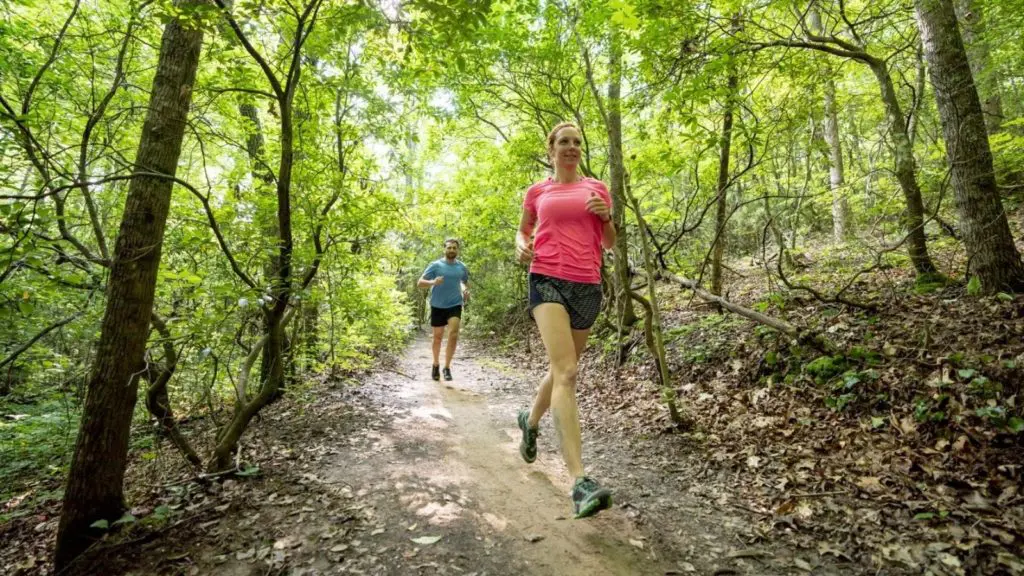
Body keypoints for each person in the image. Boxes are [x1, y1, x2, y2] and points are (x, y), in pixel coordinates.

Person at [515, 122, 616, 519]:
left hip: (587, 285)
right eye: (564, 142)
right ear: (551, 149)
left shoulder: (597, 189)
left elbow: (609, 242)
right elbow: (523, 231)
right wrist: (522, 245)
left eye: (577, 142)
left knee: (561, 370)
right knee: (568, 371)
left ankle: (530, 419)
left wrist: (607, 218)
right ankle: (579, 481)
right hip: (547, 279)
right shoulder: (538, 191)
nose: (571, 147)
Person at [417, 238, 470, 381]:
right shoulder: (435, 265)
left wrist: (465, 291)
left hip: (455, 304)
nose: (452, 250)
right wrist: (433, 282)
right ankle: (435, 364)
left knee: (453, 334)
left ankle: (447, 367)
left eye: (454, 248)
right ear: (444, 249)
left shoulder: (461, 267)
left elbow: (464, 282)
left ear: (457, 250)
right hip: (437, 305)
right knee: (438, 338)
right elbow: (420, 283)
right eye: (449, 248)